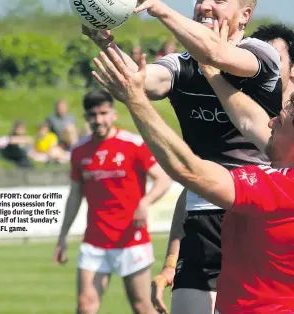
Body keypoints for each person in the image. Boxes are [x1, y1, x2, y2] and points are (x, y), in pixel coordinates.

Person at [83, 0, 282, 314]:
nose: (205, 5)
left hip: (255, 216)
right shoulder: (181, 64)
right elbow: (139, 84)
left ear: (244, 15)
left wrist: (158, 8)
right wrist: (105, 42)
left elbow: (217, 53)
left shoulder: (260, 55)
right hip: (201, 216)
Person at [91, 46, 294, 314]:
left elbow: (190, 170)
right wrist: (211, 72)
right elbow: (247, 120)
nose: (269, 123)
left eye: (281, 118)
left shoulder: (279, 187)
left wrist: (136, 100)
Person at [53, 89, 171, 314]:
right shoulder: (79, 151)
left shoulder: (133, 144)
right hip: (94, 241)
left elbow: (163, 180)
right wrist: (62, 236)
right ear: (86, 117)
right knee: (85, 306)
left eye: (103, 113)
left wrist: (144, 203)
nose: (98, 120)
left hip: (131, 239)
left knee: (141, 306)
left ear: (113, 114)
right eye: (92, 115)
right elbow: (75, 195)